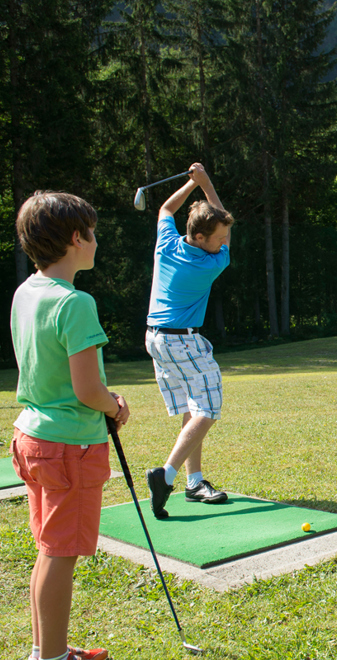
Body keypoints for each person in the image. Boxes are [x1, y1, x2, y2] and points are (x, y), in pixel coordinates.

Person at [10, 192, 131, 660]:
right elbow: (87, 390)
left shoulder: (26, 291)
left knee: (49, 547)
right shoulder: (76, 302)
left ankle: (47, 650)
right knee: (61, 553)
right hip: (68, 447)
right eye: (94, 233)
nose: (97, 242)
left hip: (32, 438)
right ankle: (54, 657)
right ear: (77, 238)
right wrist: (115, 404)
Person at [144, 163, 234, 519]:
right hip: (183, 342)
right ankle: (165, 475)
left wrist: (190, 185)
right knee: (208, 409)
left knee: (193, 409)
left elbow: (166, 209)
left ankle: (194, 482)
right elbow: (217, 218)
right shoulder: (211, 264)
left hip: (156, 340)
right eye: (219, 237)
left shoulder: (166, 243)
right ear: (200, 238)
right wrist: (206, 184)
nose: (224, 242)